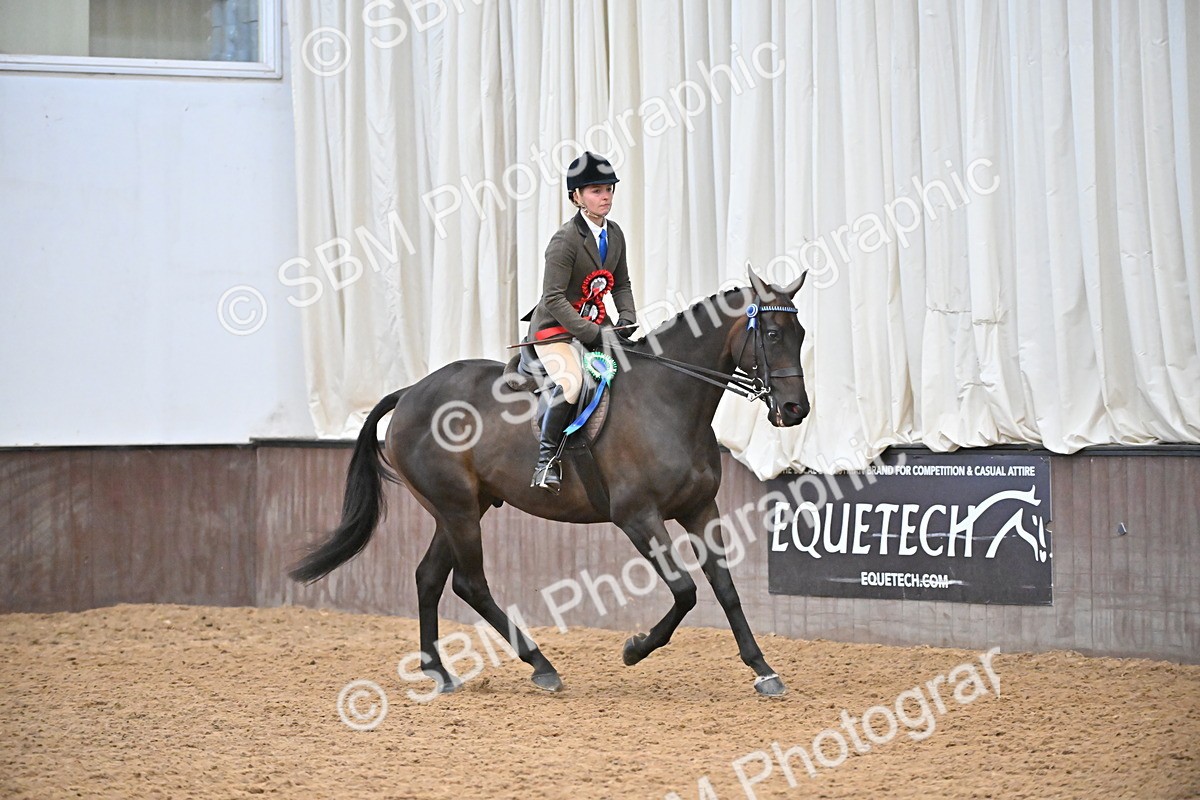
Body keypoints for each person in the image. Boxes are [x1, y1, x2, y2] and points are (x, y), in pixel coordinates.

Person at [522, 152, 638, 493]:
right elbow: (554, 298)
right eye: (595, 191)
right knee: (572, 382)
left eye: (608, 190)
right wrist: (594, 333)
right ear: (576, 197)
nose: (605, 197)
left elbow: (623, 282)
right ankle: (545, 463)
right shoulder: (565, 241)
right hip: (553, 331)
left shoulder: (614, 234)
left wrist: (627, 316)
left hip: (594, 327)